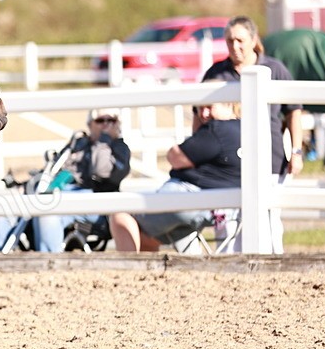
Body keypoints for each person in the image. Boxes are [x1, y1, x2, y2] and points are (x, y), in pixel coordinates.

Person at [201, 16, 302, 252]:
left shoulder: (275, 69)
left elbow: (294, 111)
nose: (234, 46)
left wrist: (296, 151)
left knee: (269, 221)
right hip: (226, 162)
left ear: (253, 40)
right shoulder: (216, 73)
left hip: (270, 157)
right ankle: (227, 265)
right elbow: (199, 114)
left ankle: (273, 262)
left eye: (240, 40)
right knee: (226, 223)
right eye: (229, 41)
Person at [0, 108, 131, 252]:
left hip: (93, 202)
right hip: (55, 193)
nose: (106, 124)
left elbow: (102, 171)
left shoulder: (120, 148)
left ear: (118, 124)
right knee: (6, 209)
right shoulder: (78, 143)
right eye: (100, 120)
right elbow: (53, 170)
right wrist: (26, 187)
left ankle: (48, 262)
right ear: (90, 124)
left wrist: (103, 140)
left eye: (111, 120)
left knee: (47, 211)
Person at [110, 102, 241, 252]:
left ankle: (129, 266)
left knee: (121, 212)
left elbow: (175, 156)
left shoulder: (216, 130)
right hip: (222, 211)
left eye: (209, 107)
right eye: (198, 109)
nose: (203, 114)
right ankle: (149, 265)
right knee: (145, 237)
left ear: (228, 104)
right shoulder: (242, 129)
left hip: (189, 201)